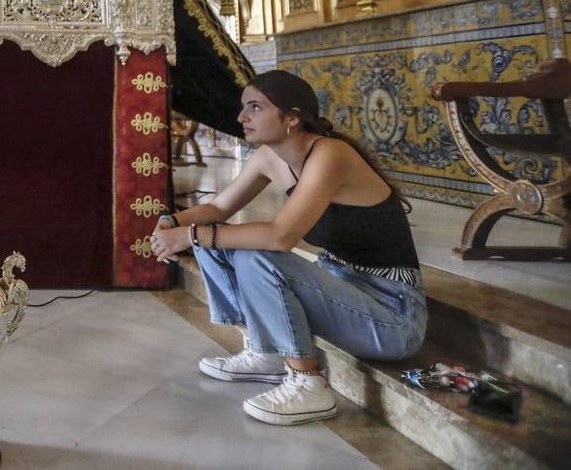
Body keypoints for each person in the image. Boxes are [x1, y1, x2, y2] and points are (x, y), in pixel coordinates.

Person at [150, 70, 426, 425]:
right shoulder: (269, 156)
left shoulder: (331, 154)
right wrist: (173, 222)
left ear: (291, 118)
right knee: (216, 239)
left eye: (255, 107)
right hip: (342, 289)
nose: (241, 116)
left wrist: (190, 236)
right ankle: (265, 350)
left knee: (254, 253)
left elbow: (280, 236)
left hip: (393, 316)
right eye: (243, 107)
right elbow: (219, 208)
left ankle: (310, 384)